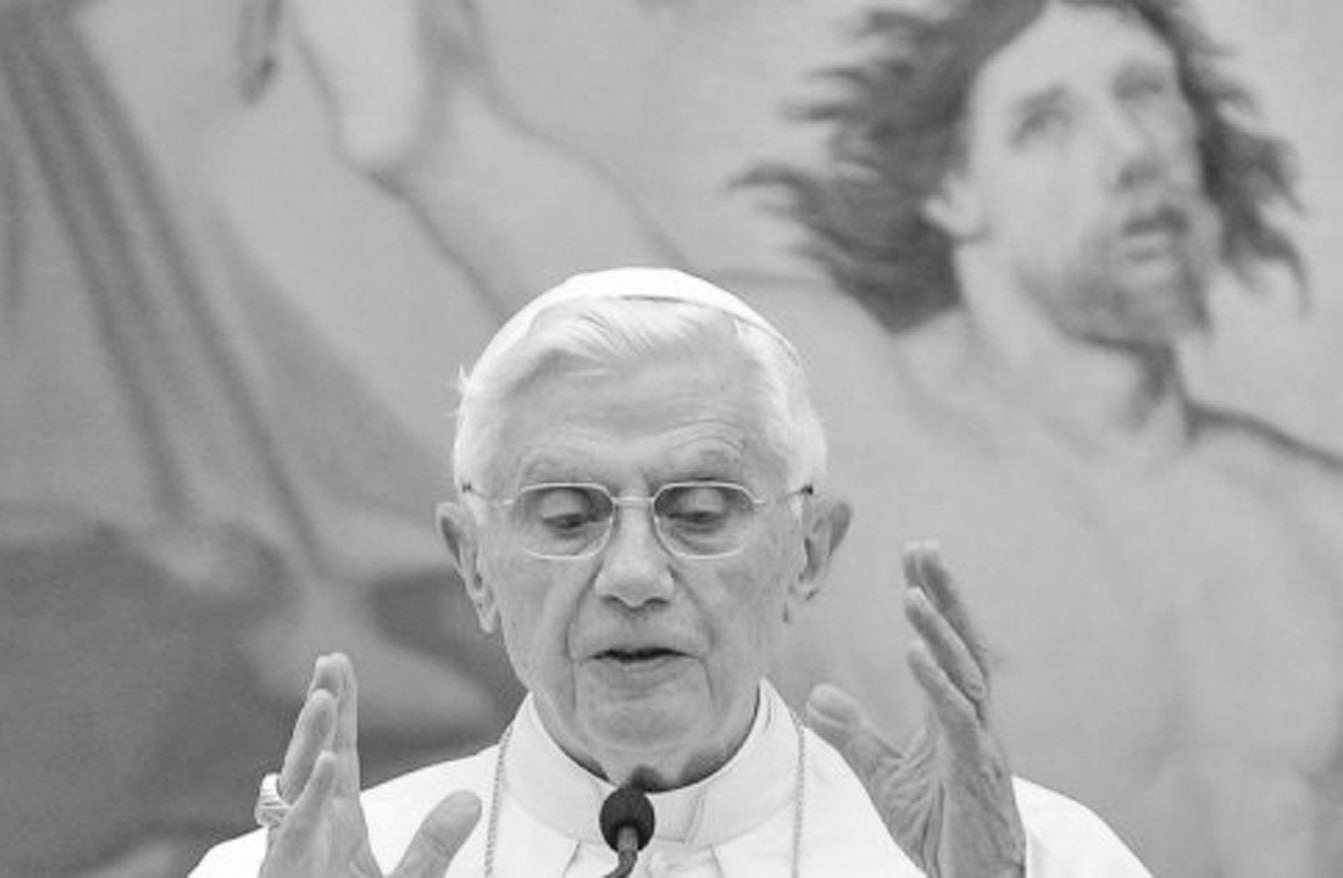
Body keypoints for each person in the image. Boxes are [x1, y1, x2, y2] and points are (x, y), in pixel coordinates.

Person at [191, 266, 1146, 876]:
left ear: (809, 552)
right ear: (475, 564)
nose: (634, 576)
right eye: (568, 517)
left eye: (699, 512)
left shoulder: (1034, 861)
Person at [758, 1, 1343, 874]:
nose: (1133, 152)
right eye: (1045, 122)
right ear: (952, 191)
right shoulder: (849, 431)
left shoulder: (1316, 519)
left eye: (1146, 94)